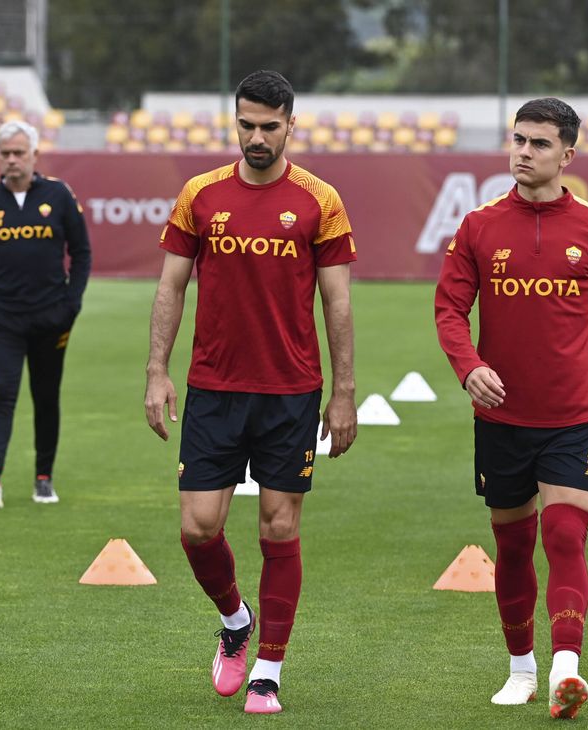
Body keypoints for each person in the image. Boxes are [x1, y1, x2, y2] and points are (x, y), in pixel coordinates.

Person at [144, 70, 357, 716]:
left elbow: (337, 301)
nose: (256, 137)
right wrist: (157, 370)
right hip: (213, 388)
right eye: (246, 125)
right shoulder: (200, 195)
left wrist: (343, 391)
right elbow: (170, 287)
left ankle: (268, 669)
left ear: (292, 124)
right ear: (234, 123)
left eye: (269, 126)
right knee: (197, 527)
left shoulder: (320, 200)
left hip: (290, 391)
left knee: (279, 524)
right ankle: (236, 620)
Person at [435, 97, 588, 720]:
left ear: (568, 155)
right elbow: (449, 310)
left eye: (540, 143)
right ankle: (521, 669)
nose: (523, 151)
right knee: (515, 544)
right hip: (502, 419)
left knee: (563, 532)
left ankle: (565, 667)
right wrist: (470, 369)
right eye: (518, 140)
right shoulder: (477, 226)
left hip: (575, 415)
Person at [0, 120, 91, 508]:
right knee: (1, 393)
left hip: (52, 317)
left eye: (19, 153)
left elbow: (82, 252)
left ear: (35, 155)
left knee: (46, 396)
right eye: (6, 153)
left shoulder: (59, 195)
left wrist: (73, 303)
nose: (12, 160)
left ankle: (44, 478)